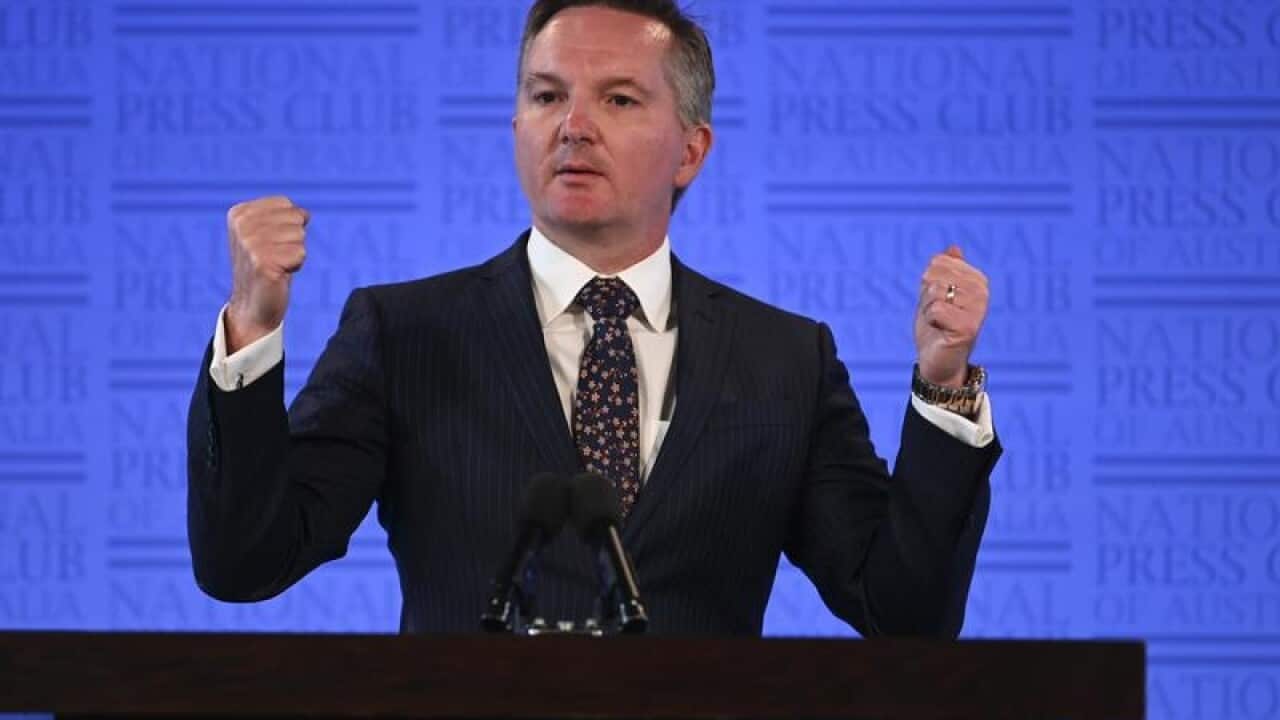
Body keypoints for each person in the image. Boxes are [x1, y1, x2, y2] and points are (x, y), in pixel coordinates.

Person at [187, 0, 1001, 636]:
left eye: (617, 98)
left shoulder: (785, 360)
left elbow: (902, 611)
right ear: (517, 129)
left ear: (691, 149)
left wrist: (945, 388)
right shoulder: (402, 333)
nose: (574, 125)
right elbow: (245, 561)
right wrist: (254, 328)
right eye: (547, 96)